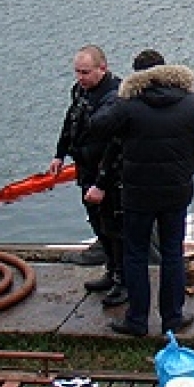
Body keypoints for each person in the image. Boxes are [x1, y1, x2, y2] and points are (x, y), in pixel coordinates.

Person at [88, 54, 194, 337]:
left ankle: (137, 320)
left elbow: (97, 126)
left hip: (137, 193)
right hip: (176, 191)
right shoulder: (193, 102)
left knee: (135, 254)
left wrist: (120, 94)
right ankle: (172, 318)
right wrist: (185, 170)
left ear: (136, 76)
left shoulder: (128, 105)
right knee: (172, 253)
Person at [48, 45, 126, 305]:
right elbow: (70, 121)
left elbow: (116, 144)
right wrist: (59, 154)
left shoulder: (115, 96)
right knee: (97, 223)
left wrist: (102, 183)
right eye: (77, 72)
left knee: (115, 227)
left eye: (85, 72)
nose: (80, 77)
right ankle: (111, 270)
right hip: (85, 167)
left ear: (102, 68)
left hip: (110, 174)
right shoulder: (80, 91)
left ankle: (123, 280)